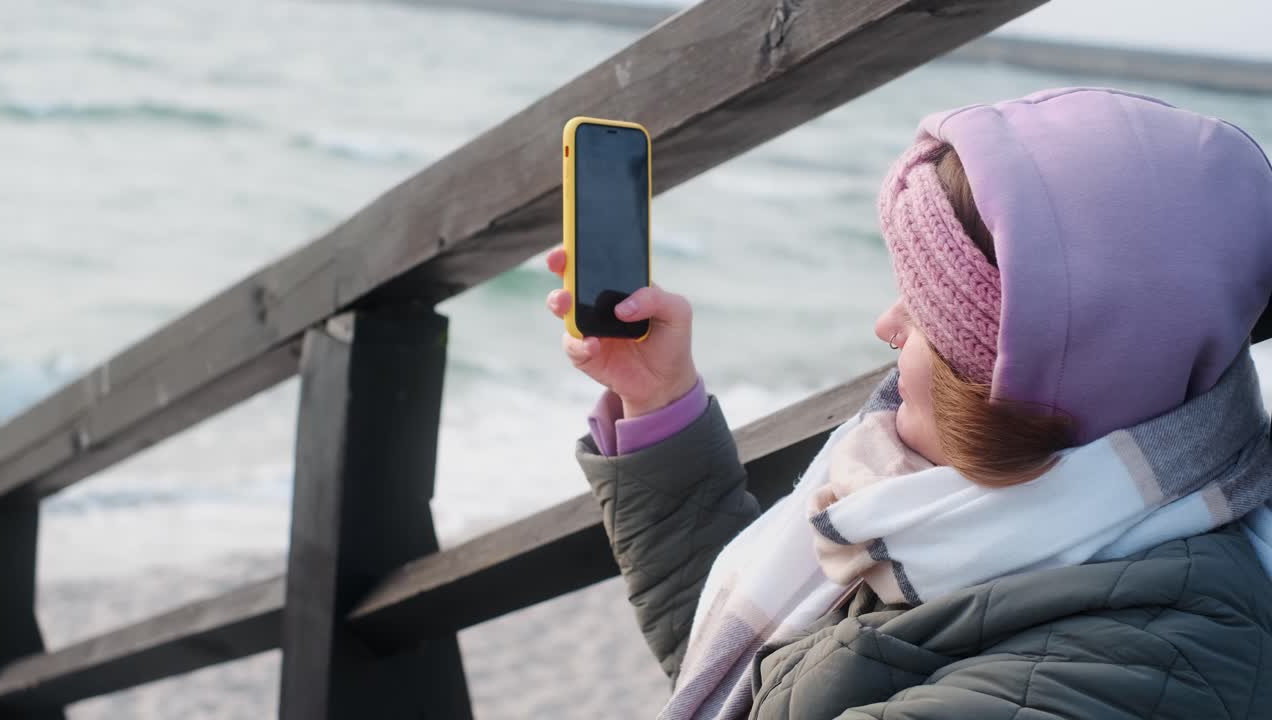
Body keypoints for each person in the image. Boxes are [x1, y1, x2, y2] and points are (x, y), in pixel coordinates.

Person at [544, 87, 1272, 719]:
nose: (886, 327)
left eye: (924, 316)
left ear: (1009, 381)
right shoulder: (955, 516)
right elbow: (749, 674)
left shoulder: (1148, 666)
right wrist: (658, 403)